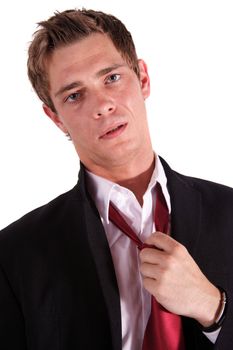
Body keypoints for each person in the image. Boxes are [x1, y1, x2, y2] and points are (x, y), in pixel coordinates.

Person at [0, 8, 232, 350]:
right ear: (55, 118)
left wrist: (213, 308)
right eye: (75, 95)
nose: (102, 105)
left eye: (111, 78)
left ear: (143, 78)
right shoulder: (14, 255)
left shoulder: (229, 213)